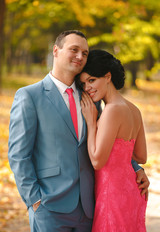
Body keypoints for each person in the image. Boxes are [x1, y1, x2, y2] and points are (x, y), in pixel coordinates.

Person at [8, 30, 149, 232]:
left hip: (89, 206)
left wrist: (135, 168)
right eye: (74, 50)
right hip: (50, 206)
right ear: (56, 51)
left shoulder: (91, 95)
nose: (80, 56)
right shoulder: (30, 96)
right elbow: (18, 155)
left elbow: (108, 140)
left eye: (84, 52)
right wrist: (34, 200)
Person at [78, 49, 148, 231]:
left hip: (112, 195)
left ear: (108, 76)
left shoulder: (111, 110)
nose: (87, 88)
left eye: (91, 80)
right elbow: (141, 156)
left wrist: (91, 123)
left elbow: (97, 161)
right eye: (83, 83)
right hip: (131, 192)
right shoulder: (134, 109)